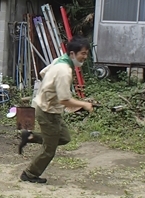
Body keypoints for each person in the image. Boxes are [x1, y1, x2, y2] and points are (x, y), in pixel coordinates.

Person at [19, 36, 94, 184]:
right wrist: (84, 104)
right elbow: (64, 100)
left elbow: (42, 73)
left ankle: (30, 136)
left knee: (65, 138)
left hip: (50, 108)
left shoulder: (60, 60)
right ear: (72, 54)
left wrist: (49, 87)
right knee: (49, 149)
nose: (85, 57)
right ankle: (29, 173)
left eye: (86, 53)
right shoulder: (64, 71)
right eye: (83, 53)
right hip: (47, 111)